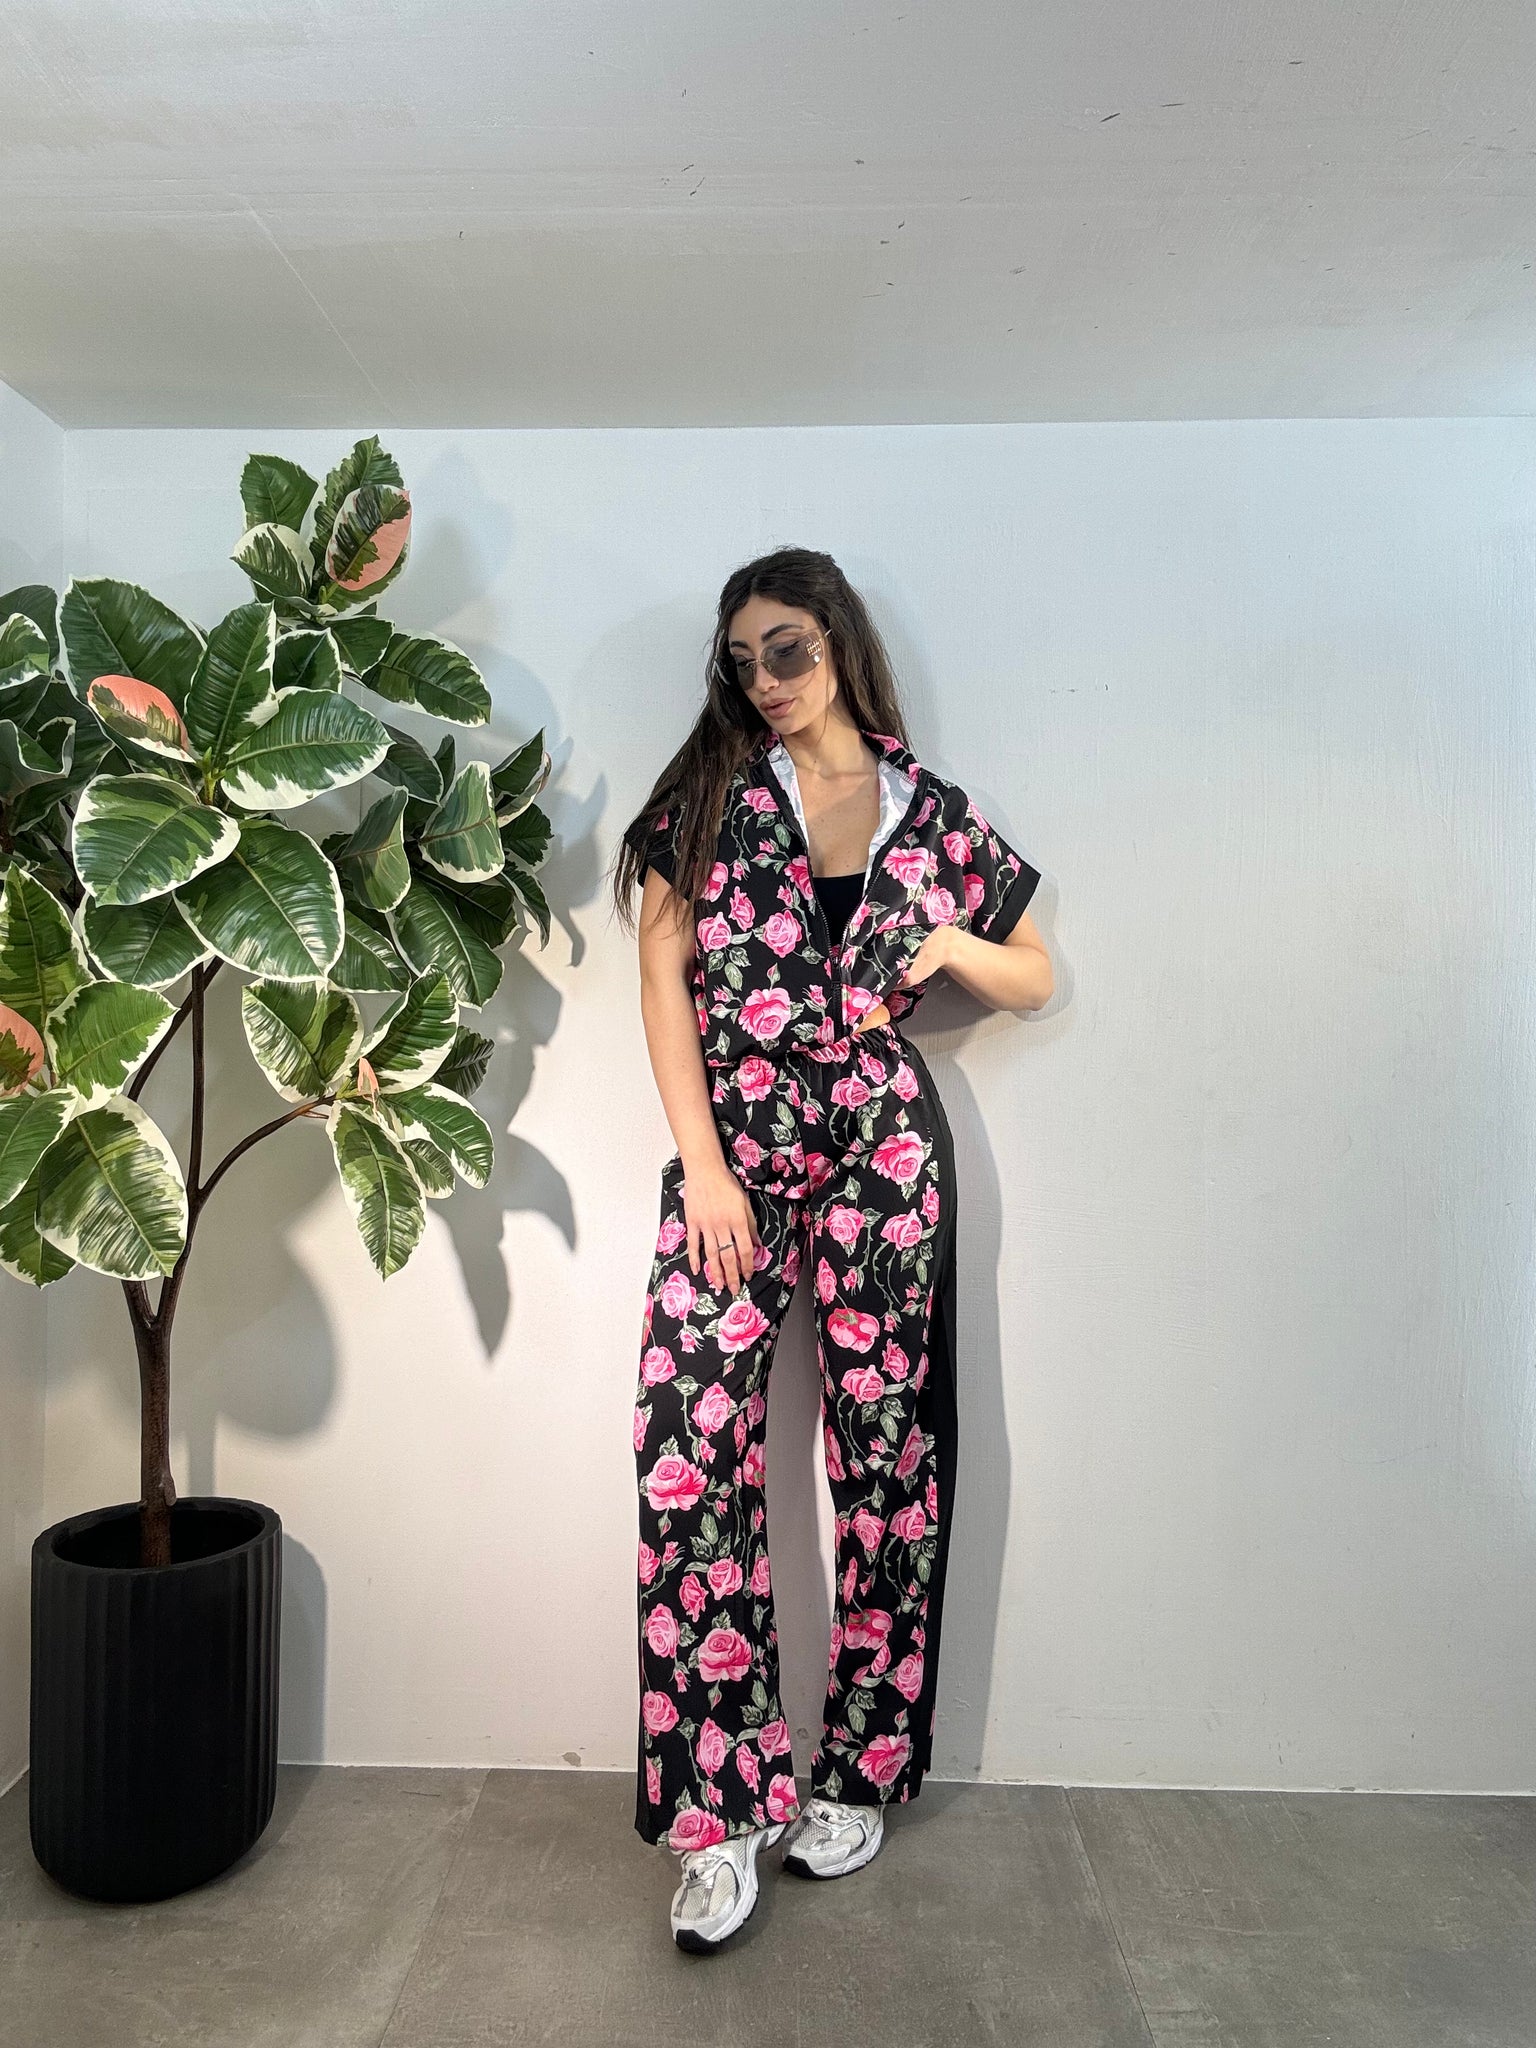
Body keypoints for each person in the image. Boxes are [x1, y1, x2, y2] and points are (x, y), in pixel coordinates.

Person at [613, 546, 1053, 1953]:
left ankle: (858, 1772)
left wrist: (951, 947)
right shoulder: (707, 800)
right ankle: (716, 1816)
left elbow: (1035, 970)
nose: (766, 679)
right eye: (743, 659)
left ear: (841, 644)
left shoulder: (932, 810)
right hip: (734, 1156)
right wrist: (703, 1170)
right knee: (690, 1448)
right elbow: (662, 987)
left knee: (887, 1458)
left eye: (789, 649)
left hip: (885, 1153)